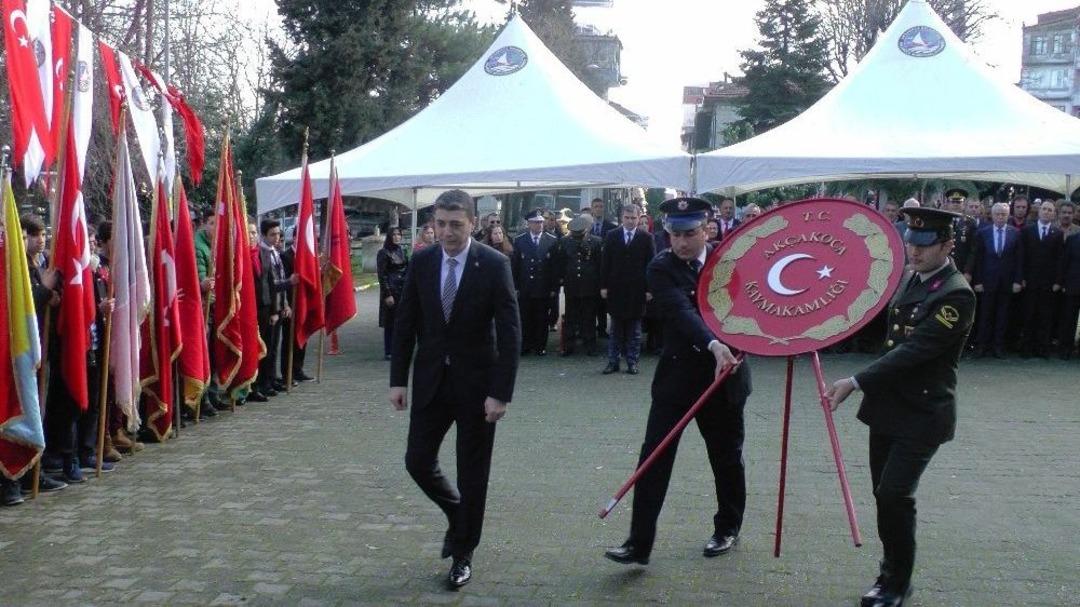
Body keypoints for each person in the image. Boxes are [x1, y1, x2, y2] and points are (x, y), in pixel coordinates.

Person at [827, 207, 975, 607]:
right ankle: (889, 570)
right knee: (882, 494)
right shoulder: (912, 278)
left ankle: (898, 583)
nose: (914, 250)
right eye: (911, 241)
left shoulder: (956, 294)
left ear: (947, 244)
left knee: (895, 494)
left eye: (925, 244)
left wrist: (855, 381)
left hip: (924, 413)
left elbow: (913, 351)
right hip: (890, 409)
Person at [604, 197, 750, 566]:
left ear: (707, 229)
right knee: (654, 455)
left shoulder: (730, 262)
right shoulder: (661, 266)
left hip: (725, 376)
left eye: (689, 234)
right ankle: (639, 543)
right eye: (674, 235)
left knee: (726, 456)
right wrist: (713, 342)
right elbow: (679, 311)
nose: (681, 243)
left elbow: (754, 308)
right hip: (679, 375)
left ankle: (727, 528)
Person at [389, 189, 521, 589]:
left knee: (473, 473)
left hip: (477, 387)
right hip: (431, 382)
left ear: (472, 223)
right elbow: (407, 321)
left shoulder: (494, 264)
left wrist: (501, 392)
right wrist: (398, 379)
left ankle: (463, 552)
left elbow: (512, 331)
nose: (447, 233)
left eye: (455, 225)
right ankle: (459, 515)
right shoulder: (423, 260)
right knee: (417, 460)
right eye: (440, 224)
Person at [601, 203, 655, 375]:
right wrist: (603, 286)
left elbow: (651, 265)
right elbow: (605, 263)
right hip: (616, 289)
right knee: (615, 329)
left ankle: (632, 362)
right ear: (621, 218)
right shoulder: (612, 235)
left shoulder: (646, 238)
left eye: (633, 218)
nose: (630, 221)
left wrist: (649, 289)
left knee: (635, 330)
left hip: (637, 290)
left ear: (639, 218)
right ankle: (613, 362)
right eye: (627, 218)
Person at [966, 202, 1023, 358]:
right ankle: (981, 346)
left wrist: (1018, 280)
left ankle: (998, 346)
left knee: (1003, 315)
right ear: (991, 215)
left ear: (1008, 215)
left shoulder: (1015, 233)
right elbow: (977, 259)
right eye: (997, 214)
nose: (1000, 217)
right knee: (985, 315)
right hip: (986, 281)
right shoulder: (982, 233)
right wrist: (977, 281)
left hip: (1007, 281)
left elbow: (1019, 259)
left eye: (1003, 214)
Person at [254, 219, 296, 401]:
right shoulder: (262, 253)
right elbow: (270, 284)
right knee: (266, 347)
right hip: (268, 307)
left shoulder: (275, 252)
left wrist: (285, 304)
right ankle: (263, 382)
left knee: (274, 346)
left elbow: (281, 278)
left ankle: (271, 378)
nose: (276, 237)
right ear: (264, 235)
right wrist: (289, 282)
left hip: (279, 304)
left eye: (278, 234)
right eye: (272, 234)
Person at [1018, 200, 1063, 358]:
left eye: (1050, 210)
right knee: (1028, 315)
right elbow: (1021, 257)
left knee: (1045, 316)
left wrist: (1058, 281)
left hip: (1048, 283)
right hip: (1029, 281)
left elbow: (1059, 260)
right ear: (1039, 211)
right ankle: (1026, 348)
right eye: (1044, 209)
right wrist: (1021, 277)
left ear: (1053, 214)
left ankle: (1042, 348)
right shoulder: (1027, 231)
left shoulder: (1057, 233)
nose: (1046, 212)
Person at [553, 214, 602, 356]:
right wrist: (561, 279)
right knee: (570, 316)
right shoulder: (564, 242)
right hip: (572, 284)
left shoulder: (596, 242)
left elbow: (599, 264)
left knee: (589, 316)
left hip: (590, 285)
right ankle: (568, 346)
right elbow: (561, 263)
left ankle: (590, 345)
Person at [511, 210, 557, 356]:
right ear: (529, 224)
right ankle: (525, 345)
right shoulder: (520, 240)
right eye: (536, 222)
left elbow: (554, 267)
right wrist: (516, 286)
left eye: (541, 222)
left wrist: (553, 288)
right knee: (525, 317)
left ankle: (540, 346)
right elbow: (516, 266)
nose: (540, 225)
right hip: (525, 287)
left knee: (542, 318)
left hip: (543, 286)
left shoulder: (551, 240)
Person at [377, 227, 409, 360]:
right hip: (391, 288)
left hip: (402, 288)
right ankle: (389, 350)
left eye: (399, 234)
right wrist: (387, 293)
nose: (397, 237)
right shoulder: (383, 253)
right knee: (390, 322)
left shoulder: (402, 251)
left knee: (401, 321)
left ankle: (399, 349)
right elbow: (382, 275)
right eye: (394, 234)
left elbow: (407, 268)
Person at [589, 197, 617, 338]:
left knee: (602, 302)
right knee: (590, 302)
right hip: (589, 270)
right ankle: (588, 329)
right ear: (592, 209)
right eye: (596, 206)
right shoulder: (587, 226)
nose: (599, 209)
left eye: (601, 206)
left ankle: (602, 328)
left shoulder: (611, 228)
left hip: (604, 269)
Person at [943, 188, 978, 273]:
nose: (956, 204)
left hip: (962, 268)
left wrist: (968, 271)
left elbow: (973, 250)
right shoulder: (942, 221)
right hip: (944, 267)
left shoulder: (971, 223)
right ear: (948, 204)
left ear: (964, 204)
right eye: (953, 202)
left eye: (959, 202)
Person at [1059, 230, 1080, 359]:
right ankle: (1065, 349)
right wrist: (1062, 283)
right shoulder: (1072, 239)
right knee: (1068, 320)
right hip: (1073, 286)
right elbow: (1064, 262)